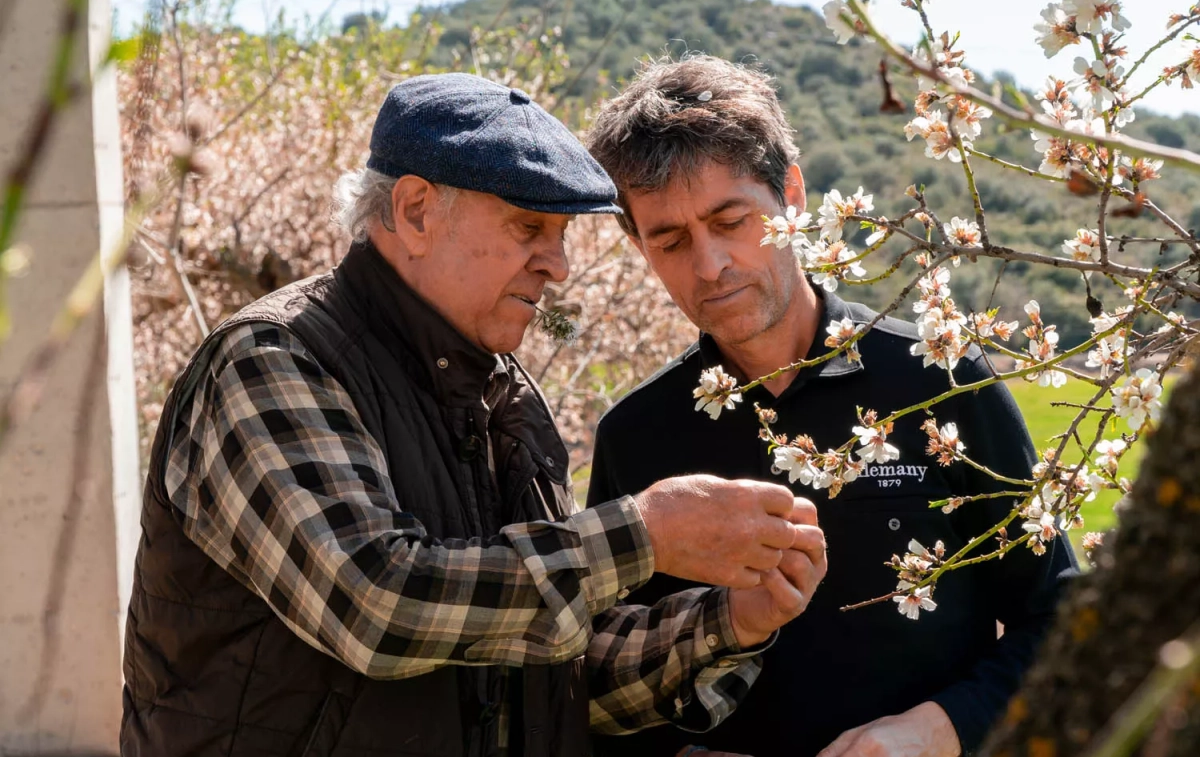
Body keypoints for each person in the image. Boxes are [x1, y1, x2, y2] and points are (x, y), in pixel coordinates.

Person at [119, 73, 829, 757]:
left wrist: (729, 622)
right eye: (529, 227)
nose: (557, 266)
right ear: (417, 210)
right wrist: (644, 534)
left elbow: (554, 680)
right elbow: (378, 604)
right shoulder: (271, 360)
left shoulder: (507, 393)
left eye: (560, 235)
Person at [584, 56, 1078, 757]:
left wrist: (936, 731)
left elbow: (1060, 620)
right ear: (637, 245)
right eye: (669, 240)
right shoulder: (636, 437)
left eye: (731, 220)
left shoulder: (942, 377)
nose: (709, 265)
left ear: (791, 193)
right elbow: (600, 686)